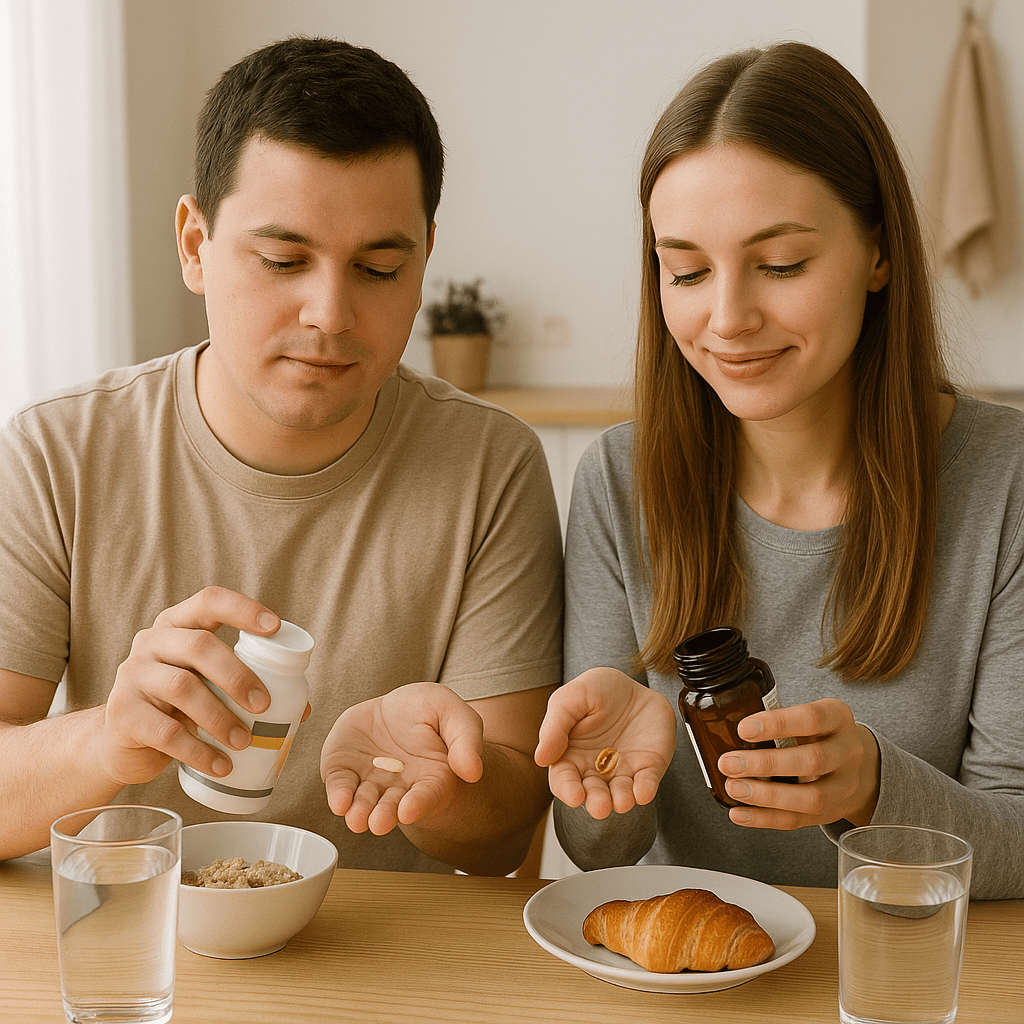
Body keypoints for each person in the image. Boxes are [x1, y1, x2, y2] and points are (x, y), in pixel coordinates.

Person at [0, 36, 563, 876]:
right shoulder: (58, 452)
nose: (329, 313)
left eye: (378, 268)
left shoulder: (490, 465)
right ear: (195, 244)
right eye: (282, 260)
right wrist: (111, 740)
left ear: (423, 263)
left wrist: (442, 787)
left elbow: (503, 840)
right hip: (136, 957)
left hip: (375, 971)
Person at [534, 41, 1023, 899]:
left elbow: (1017, 847)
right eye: (684, 270)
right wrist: (604, 778)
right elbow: (596, 855)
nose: (726, 318)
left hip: (903, 970)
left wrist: (875, 786)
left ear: (878, 254)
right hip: (693, 975)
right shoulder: (618, 479)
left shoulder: (1005, 484)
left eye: (781, 264)